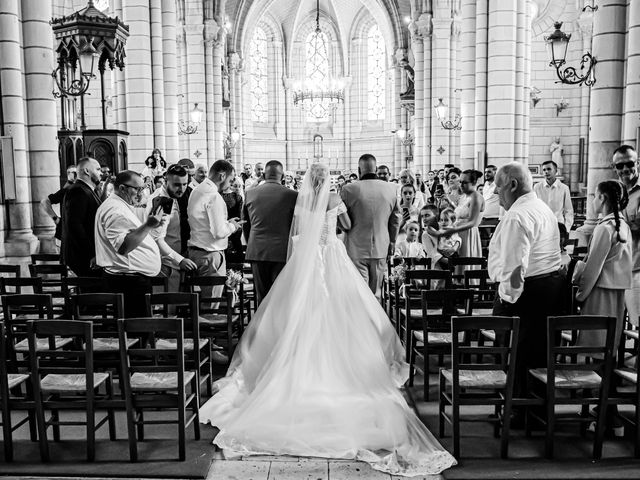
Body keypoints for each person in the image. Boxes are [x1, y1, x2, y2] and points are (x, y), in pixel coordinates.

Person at [199, 162, 456, 476]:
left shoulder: (301, 201)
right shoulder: (334, 199)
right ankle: (341, 369)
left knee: (298, 316)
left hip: (307, 262)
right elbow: (345, 225)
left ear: (308, 181)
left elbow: (297, 234)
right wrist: (336, 219)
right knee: (345, 312)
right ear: (328, 180)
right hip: (332, 258)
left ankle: (296, 370)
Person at [488, 162, 565, 425]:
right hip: (549, 289)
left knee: (515, 352)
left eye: (498, 186)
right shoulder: (542, 207)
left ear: (511, 185)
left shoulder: (517, 216)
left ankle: (517, 411)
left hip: (526, 295)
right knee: (537, 353)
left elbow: (514, 267)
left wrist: (505, 301)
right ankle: (535, 409)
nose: (496, 193)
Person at [572, 179, 631, 436]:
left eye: (595, 196)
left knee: (597, 356)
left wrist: (580, 294)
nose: (593, 202)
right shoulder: (623, 225)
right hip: (617, 296)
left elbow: (594, 266)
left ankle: (609, 417)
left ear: (603, 199)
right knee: (608, 354)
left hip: (600, 295)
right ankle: (607, 413)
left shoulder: (604, 228)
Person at [95, 171, 163, 317]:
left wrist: (149, 225)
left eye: (142, 189)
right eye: (137, 189)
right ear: (122, 188)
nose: (140, 194)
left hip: (129, 278)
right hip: (128, 282)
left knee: (137, 329)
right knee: (137, 329)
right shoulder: (116, 210)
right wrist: (148, 226)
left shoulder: (119, 205)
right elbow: (123, 247)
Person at [341, 154, 402, 300]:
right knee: (376, 292)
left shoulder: (348, 189)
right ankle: (375, 321)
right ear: (376, 168)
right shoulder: (391, 189)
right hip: (381, 246)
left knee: (358, 291)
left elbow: (343, 219)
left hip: (355, 247)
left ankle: (361, 321)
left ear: (359, 169)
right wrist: (392, 241)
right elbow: (395, 219)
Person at [187, 160, 243, 304]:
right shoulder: (214, 196)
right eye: (230, 180)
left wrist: (227, 222)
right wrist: (233, 227)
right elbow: (218, 232)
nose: (230, 184)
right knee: (211, 306)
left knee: (202, 303)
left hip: (195, 252)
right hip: (210, 255)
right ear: (222, 175)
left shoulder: (196, 190)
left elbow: (204, 222)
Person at [243, 160, 298, 305]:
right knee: (281, 296)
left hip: (258, 250)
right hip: (283, 251)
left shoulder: (250, 194)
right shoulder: (293, 196)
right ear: (282, 176)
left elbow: (246, 226)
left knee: (261, 295)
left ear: (264, 174)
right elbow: (296, 225)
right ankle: (277, 327)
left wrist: (252, 243)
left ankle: (260, 326)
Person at [145, 164, 197, 293]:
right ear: (166, 180)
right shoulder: (160, 201)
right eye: (177, 185)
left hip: (177, 259)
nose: (182, 189)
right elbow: (156, 239)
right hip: (166, 263)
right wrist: (179, 260)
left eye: (185, 184)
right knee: (167, 308)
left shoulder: (175, 197)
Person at [613, 145, 640, 326]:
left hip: (637, 267)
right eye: (619, 166)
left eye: (629, 164)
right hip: (617, 269)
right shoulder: (616, 191)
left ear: (637, 163)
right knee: (615, 327)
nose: (624, 169)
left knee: (638, 322)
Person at [61, 157, 103, 276]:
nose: (101, 173)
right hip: (83, 257)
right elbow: (75, 225)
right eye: (98, 169)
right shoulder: (78, 191)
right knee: (92, 293)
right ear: (87, 171)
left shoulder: (87, 190)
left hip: (86, 255)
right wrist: (92, 254)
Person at [435, 169, 484, 260]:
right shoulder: (464, 197)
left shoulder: (476, 197)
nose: (461, 185)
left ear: (473, 182)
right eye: (460, 182)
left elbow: (472, 222)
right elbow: (458, 213)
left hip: (468, 233)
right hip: (458, 233)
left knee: (465, 260)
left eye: (464, 182)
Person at [40, 165, 76, 246]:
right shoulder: (65, 191)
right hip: (63, 231)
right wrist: (55, 218)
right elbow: (44, 201)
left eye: (74, 172)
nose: (71, 175)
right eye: (69, 173)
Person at [534, 160, 574, 231]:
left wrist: (566, 229)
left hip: (558, 226)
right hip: (541, 226)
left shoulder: (564, 188)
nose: (546, 172)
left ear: (556, 171)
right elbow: (534, 208)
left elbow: (569, 211)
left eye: (549, 169)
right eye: (544, 170)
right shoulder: (537, 187)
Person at [221, 177, 245, 264]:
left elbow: (239, 217)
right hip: (222, 231)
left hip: (235, 230)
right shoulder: (218, 195)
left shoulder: (237, 197)